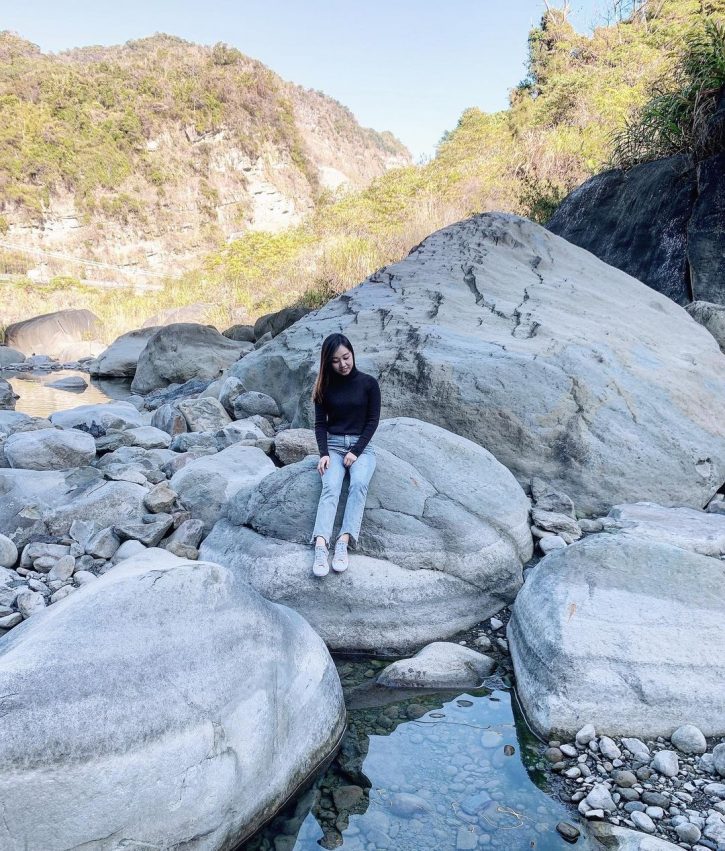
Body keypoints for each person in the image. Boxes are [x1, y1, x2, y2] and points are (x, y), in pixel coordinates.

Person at [310, 333, 381, 577]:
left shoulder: (369, 384)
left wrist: (356, 451)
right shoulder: (323, 387)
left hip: (362, 448)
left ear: (352, 353)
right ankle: (321, 544)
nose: (343, 364)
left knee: (358, 483)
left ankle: (343, 541)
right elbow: (320, 425)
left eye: (346, 357)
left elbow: (372, 422)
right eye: (336, 361)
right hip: (334, 446)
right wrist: (324, 454)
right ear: (327, 362)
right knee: (330, 486)